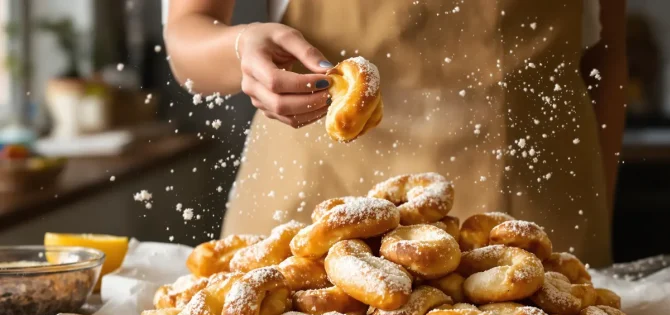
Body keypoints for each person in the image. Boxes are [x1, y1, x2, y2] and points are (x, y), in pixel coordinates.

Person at [165, 0, 627, 268]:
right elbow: (187, 36)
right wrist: (242, 47)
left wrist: (598, 216)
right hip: (311, 207)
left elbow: (608, 54)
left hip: (531, 219)